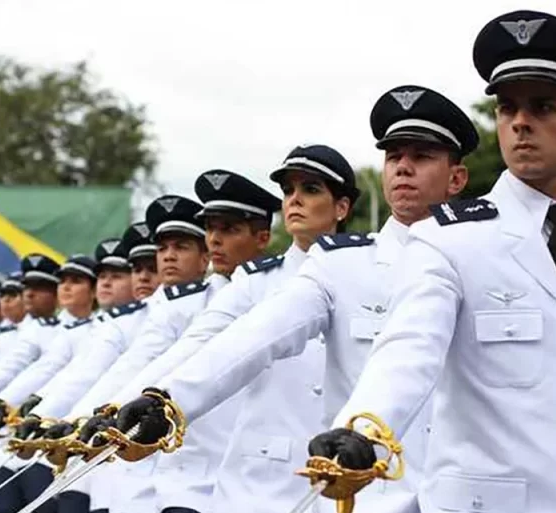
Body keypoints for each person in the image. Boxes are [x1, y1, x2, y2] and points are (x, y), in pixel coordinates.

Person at [314, 10, 556, 513]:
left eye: (543, 106)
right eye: (508, 109)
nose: (521, 122)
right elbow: (407, 350)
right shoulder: (449, 240)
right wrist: (362, 430)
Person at [118, 83, 478, 513]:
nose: (403, 168)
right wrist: (169, 399)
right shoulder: (342, 266)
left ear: (456, 177)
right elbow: (253, 338)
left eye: (420, 157)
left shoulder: (488, 257)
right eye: (393, 157)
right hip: (367, 497)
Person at [114, 144, 357, 513]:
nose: (294, 200)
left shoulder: (368, 275)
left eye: (310, 189)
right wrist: (117, 407)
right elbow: (197, 345)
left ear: (341, 207)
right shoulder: (255, 282)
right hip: (257, 483)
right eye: (289, 191)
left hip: (344, 476)